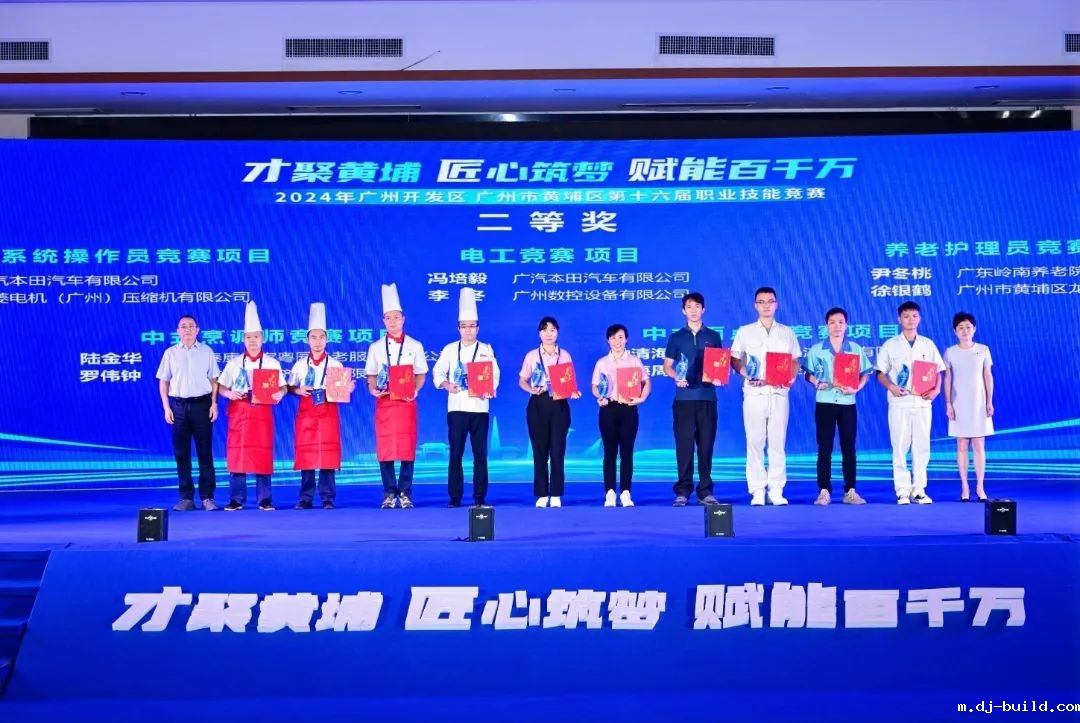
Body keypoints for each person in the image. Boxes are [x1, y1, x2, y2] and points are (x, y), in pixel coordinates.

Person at [731, 287, 803, 506]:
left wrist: (790, 379)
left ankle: (776, 489)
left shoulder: (787, 332)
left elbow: (795, 360)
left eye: (770, 301)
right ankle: (757, 490)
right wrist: (746, 373)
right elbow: (734, 359)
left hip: (779, 393)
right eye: (761, 302)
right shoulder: (745, 331)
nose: (766, 305)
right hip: (754, 393)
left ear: (776, 304)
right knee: (755, 442)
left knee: (777, 443)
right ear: (755, 305)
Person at [432, 287, 500, 507]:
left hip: (480, 408)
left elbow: (495, 375)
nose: (468, 330)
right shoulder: (450, 349)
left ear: (478, 327)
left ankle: (480, 496)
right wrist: (446, 385)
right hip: (457, 408)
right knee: (456, 454)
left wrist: (490, 388)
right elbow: (437, 372)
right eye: (464, 326)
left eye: (472, 326)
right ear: (458, 328)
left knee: (480, 455)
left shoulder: (486, 349)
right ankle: (455, 496)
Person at [217, 301, 287, 511]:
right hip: (239, 414)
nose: (253, 341)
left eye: (256, 337)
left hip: (262, 414)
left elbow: (283, 387)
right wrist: (229, 393)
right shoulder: (234, 363)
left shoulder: (272, 363)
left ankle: (264, 499)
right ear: (243, 339)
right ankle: (236, 499)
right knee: (238, 455)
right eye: (249, 337)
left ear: (262, 338)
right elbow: (221, 386)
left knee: (262, 454)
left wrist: (280, 393)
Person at [875, 300, 946, 505]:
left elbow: (938, 370)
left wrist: (937, 390)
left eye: (914, 316)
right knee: (899, 446)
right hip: (900, 403)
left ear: (919, 318)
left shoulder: (927, 344)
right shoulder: (890, 345)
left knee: (922, 446)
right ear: (899, 319)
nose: (910, 320)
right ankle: (902, 490)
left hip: (923, 403)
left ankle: (919, 489)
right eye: (906, 316)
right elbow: (880, 372)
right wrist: (891, 386)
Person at [801, 307, 873, 505]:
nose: (837, 326)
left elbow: (865, 374)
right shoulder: (817, 349)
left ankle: (850, 491)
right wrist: (816, 382)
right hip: (824, 402)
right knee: (824, 447)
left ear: (846, 325)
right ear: (826, 325)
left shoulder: (855, 348)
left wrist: (856, 388)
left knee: (848, 447)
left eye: (841, 322)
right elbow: (807, 374)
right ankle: (824, 490)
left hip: (847, 402)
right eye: (832, 322)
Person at [365, 283, 428, 509]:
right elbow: (371, 375)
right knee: (386, 449)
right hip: (385, 404)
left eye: (396, 317)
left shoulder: (415, 345)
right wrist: (373, 389)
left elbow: (421, 373)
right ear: (383, 321)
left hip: (406, 404)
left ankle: (406, 492)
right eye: (388, 318)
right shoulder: (375, 347)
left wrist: (415, 391)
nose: (393, 322)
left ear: (403, 319)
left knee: (406, 448)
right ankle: (389, 492)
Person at [289, 302, 354, 510]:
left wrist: (348, 388)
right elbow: (289, 387)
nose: (317, 342)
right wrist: (298, 390)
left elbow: (341, 392)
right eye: (314, 337)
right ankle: (305, 498)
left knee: (327, 456)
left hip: (328, 412)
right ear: (307, 340)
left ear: (327, 339)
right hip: (307, 413)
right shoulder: (300, 365)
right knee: (307, 457)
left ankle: (327, 498)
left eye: (321, 337)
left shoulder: (335, 364)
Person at [662, 292, 723, 507]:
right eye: (689, 306)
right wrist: (676, 376)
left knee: (706, 447)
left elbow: (719, 364)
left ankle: (705, 491)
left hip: (707, 398)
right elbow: (667, 366)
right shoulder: (676, 337)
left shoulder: (713, 336)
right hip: (684, 400)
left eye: (697, 306)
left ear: (703, 309)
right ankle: (683, 491)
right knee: (684, 447)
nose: (693, 310)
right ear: (683, 310)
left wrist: (719, 376)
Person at [156, 314, 221, 511]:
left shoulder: (206, 351)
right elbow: (164, 381)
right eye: (183, 326)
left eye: (191, 326)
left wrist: (214, 404)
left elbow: (214, 380)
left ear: (197, 330)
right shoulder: (170, 353)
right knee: (181, 453)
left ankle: (207, 497)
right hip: (178, 406)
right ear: (178, 331)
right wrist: (166, 407)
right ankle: (186, 497)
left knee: (205, 452)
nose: (187, 329)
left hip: (202, 405)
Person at [519, 316, 581, 508]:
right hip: (538, 403)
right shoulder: (531, 356)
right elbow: (522, 380)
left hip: (559, 404)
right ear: (539, 333)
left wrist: (573, 391)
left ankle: (555, 494)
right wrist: (531, 389)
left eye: (552, 330)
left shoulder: (564, 355)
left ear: (557, 333)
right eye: (545, 330)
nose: (548, 334)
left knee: (557, 450)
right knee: (539, 451)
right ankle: (541, 493)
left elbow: (569, 382)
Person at [591, 323, 651, 507]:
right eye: (613, 338)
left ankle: (625, 492)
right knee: (609, 453)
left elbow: (646, 382)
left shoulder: (634, 361)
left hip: (628, 409)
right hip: (608, 409)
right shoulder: (602, 363)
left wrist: (641, 398)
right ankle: (609, 493)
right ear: (608, 340)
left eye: (620, 337)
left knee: (627, 452)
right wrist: (599, 396)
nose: (617, 341)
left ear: (626, 340)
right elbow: (594, 386)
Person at [943, 311, 995, 502]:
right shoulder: (950, 352)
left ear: (974, 329)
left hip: (979, 402)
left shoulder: (983, 349)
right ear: (955, 331)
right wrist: (948, 403)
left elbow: (987, 376)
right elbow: (947, 379)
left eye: (968, 327)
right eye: (961, 328)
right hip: (959, 403)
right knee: (962, 444)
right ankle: (964, 486)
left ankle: (980, 486)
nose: (965, 331)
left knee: (979, 444)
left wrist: (989, 401)